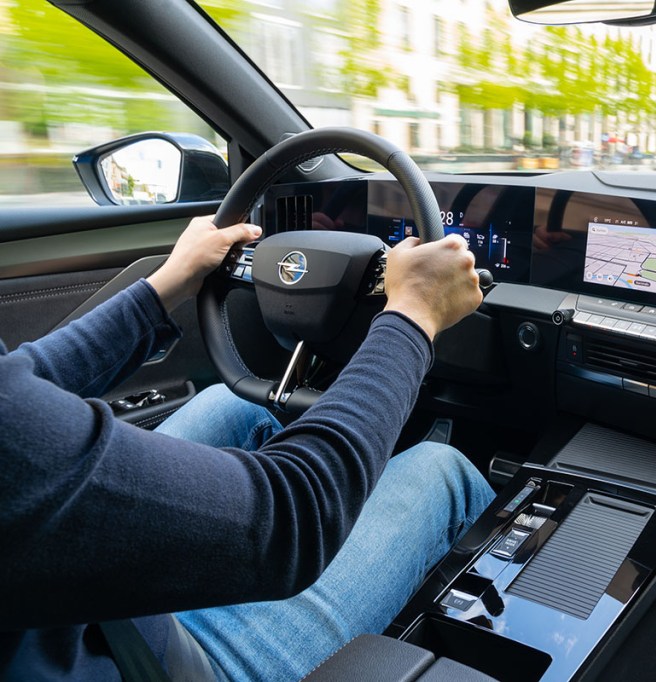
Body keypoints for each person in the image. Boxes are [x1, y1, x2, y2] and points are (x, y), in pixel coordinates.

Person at [0, 216, 496, 680]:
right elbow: (296, 514)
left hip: (59, 619)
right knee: (441, 467)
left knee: (231, 404)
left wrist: (170, 281)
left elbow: (20, 381)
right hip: (146, 661)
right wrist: (412, 314)